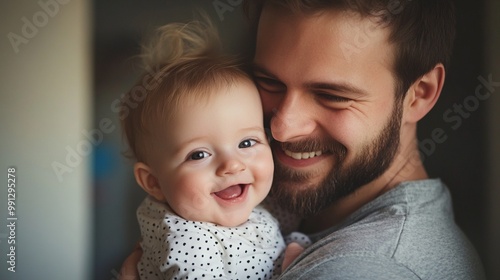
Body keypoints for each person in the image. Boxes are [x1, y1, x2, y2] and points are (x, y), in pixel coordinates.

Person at [121, 0, 486, 279]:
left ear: (419, 94)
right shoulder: (293, 209)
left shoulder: (361, 267)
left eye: (332, 96)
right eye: (269, 83)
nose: (282, 127)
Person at [119, 18, 309, 280]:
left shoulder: (246, 202)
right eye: (199, 154)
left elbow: (276, 221)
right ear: (154, 182)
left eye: (246, 143)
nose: (232, 165)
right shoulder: (189, 243)